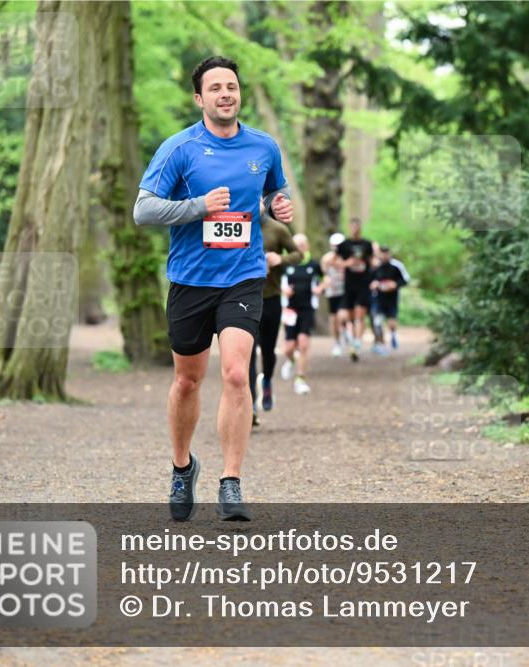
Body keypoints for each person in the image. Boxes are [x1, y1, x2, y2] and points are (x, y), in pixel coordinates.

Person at [133, 56, 293, 522]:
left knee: (237, 375)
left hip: (243, 275)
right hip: (190, 279)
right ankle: (183, 467)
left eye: (232, 86)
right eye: (216, 88)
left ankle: (231, 483)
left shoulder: (263, 147)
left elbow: (270, 194)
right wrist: (198, 206)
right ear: (200, 98)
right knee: (187, 380)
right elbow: (143, 211)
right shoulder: (179, 149)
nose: (227, 94)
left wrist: (276, 206)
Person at [249, 216, 301, 422]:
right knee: (247, 354)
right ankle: (250, 404)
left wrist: (281, 259)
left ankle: (267, 380)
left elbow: (298, 254)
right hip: (244, 298)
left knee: (268, 351)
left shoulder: (277, 229)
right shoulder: (237, 222)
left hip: (270, 298)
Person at [280, 233, 321, 394]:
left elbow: (326, 279)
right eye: (297, 244)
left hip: (307, 308)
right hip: (290, 309)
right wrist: (284, 290)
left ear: (308, 246)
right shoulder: (286, 264)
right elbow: (275, 282)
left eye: (303, 244)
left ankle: (300, 379)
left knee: (303, 343)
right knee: (288, 348)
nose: (300, 247)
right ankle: (290, 360)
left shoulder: (313, 264)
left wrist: (320, 288)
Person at [336, 219, 375, 362]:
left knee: (359, 315)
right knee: (346, 317)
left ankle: (357, 344)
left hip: (363, 284)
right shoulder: (344, 245)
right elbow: (335, 261)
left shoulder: (367, 244)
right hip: (349, 285)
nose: (354, 229)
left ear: (360, 228)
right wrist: (348, 263)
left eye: (357, 226)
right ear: (349, 227)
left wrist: (370, 267)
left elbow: (372, 262)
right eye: (352, 226)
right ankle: (351, 339)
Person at [370, 245, 410, 351]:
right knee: (377, 321)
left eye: (386, 253)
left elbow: (405, 280)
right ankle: (380, 343)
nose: (384, 255)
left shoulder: (396, 266)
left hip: (392, 298)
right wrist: (374, 284)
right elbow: (370, 280)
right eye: (382, 253)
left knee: (392, 320)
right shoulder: (376, 266)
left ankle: (393, 335)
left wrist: (395, 285)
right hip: (378, 298)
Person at [320, 232, 347, 357]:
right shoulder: (326, 258)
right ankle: (337, 342)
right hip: (332, 292)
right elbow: (324, 274)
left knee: (343, 316)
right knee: (334, 318)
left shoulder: (347, 258)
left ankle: (347, 334)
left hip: (345, 291)